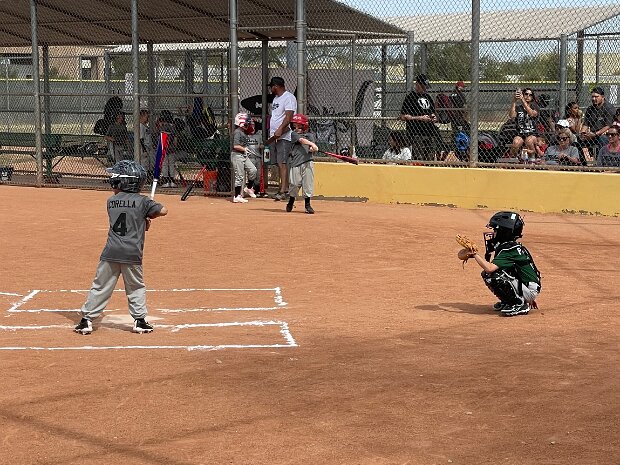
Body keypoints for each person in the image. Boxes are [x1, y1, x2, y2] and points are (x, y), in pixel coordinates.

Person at [74, 160, 168, 335]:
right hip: (132, 253)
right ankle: (140, 321)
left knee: (100, 286)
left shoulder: (111, 201)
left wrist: (143, 218)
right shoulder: (143, 201)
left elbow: (128, 215)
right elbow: (163, 210)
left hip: (110, 252)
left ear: (123, 182)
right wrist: (149, 213)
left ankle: (86, 320)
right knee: (135, 287)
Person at [462, 211, 541, 317]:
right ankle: (509, 300)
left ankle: (518, 303)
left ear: (504, 232)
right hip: (526, 287)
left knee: (492, 275)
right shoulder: (510, 247)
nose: (493, 233)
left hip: (529, 290)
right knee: (493, 273)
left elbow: (489, 268)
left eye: (496, 230)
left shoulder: (510, 250)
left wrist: (475, 254)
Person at [399, 74, 445, 160]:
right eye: (423, 86)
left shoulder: (428, 97)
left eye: (426, 87)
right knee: (418, 159)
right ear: (417, 84)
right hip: (415, 134)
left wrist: (434, 117)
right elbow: (402, 117)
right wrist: (420, 118)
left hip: (429, 133)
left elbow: (432, 112)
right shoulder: (410, 97)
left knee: (429, 158)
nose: (425, 89)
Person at [268, 76, 297, 201]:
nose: (271, 89)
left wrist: (280, 129)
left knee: (283, 163)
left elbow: (289, 116)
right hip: (275, 136)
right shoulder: (276, 98)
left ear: (276, 86)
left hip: (284, 135)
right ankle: (282, 187)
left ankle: (284, 190)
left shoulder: (288, 97)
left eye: (271, 86)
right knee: (278, 163)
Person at [285, 114, 319, 214]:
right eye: (294, 126)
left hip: (308, 162)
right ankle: (291, 201)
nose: (296, 128)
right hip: (296, 163)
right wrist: (312, 144)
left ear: (304, 126)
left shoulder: (310, 136)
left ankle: (307, 205)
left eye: (299, 126)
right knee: (294, 184)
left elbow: (311, 148)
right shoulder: (294, 134)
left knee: (308, 184)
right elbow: (302, 140)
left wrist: (313, 148)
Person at [580, 86, 615, 159]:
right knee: (577, 139)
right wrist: (583, 133)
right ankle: (583, 163)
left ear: (602, 97)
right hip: (592, 134)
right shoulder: (590, 109)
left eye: (596, 97)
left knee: (602, 138)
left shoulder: (609, 108)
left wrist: (595, 134)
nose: (593, 99)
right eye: (592, 97)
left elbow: (608, 125)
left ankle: (603, 161)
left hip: (605, 134)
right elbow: (586, 124)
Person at [231, 112, 258, 203]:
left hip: (243, 155)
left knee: (253, 170)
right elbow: (235, 146)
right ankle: (237, 196)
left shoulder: (243, 132)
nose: (248, 125)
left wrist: (245, 150)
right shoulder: (237, 132)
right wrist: (244, 149)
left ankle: (248, 188)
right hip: (237, 155)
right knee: (239, 176)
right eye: (247, 123)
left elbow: (252, 131)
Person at [508, 87, 539, 160]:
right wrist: (514, 101)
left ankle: (532, 159)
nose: (528, 96)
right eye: (526, 94)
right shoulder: (518, 108)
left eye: (530, 95)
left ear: (532, 97)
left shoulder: (535, 107)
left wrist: (522, 99)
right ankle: (514, 160)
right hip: (520, 133)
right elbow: (512, 116)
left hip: (532, 133)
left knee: (529, 140)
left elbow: (531, 113)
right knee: (516, 142)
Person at [138, 109, 154, 178]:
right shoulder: (140, 126)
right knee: (144, 163)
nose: (148, 118)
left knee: (149, 163)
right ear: (142, 116)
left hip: (149, 147)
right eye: (146, 116)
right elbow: (141, 139)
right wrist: (144, 150)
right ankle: (143, 178)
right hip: (144, 147)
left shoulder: (145, 126)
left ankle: (148, 177)